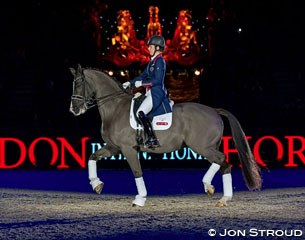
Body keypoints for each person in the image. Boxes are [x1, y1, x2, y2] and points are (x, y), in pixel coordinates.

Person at [123, 35, 172, 149]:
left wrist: (142, 84)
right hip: (150, 92)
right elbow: (142, 76)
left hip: (157, 93)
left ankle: (152, 139)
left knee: (140, 112)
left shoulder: (160, 61)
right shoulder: (152, 62)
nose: (148, 49)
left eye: (151, 47)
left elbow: (157, 80)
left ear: (157, 48)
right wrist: (130, 83)